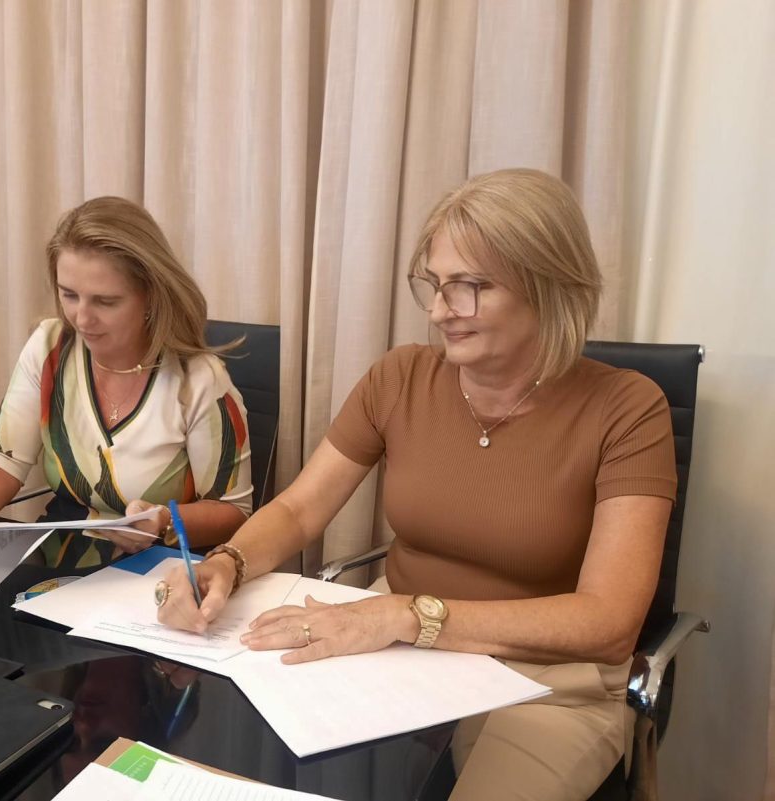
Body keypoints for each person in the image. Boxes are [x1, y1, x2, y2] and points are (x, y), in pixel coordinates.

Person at [155, 169, 677, 800]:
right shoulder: (400, 377)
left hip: (548, 684)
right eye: (434, 284)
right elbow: (298, 510)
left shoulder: (628, 409)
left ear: (547, 284)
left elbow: (609, 622)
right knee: (247, 775)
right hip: (394, 648)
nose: (438, 311)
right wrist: (226, 563)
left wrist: (408, 615)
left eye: (469, 287)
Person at [0, 196, 253, 573]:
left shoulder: (198, 380)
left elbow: (233, 512)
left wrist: (164, 522)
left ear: (150, 294)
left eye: (105, 301)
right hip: (60, 563)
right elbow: (2, 462)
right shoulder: (50, 347)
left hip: (157, 573)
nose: (81, 318)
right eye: (69, 295)